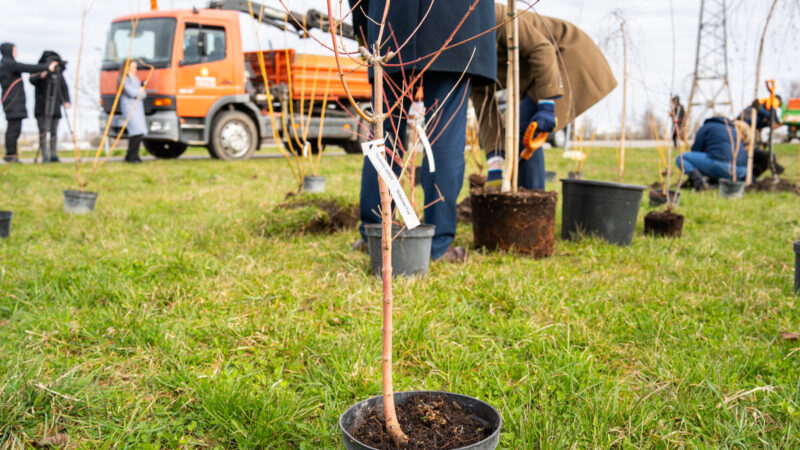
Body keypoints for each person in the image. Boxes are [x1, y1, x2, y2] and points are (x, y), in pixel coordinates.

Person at [350, 0, 497, 263]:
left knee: (384, 132)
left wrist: (364, 27)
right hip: (456, 24)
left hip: (391, 22)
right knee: (445, 134)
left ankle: (374, 233)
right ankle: (439, 245)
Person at [471, 4, 617, 190]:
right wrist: (495, 167)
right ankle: (525, 196)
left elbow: (542, 49)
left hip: (565, 54)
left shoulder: (492, 14)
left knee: (524, 128)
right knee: (518, 132)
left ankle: (533, 198)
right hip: (536, 75)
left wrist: (546, 104)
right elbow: (486, 112)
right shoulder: (465, 64)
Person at [0, 42, 58, 163]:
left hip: (14, 102)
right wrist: (46, 67)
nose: (16, 53)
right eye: (14, 50)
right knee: (13, 129)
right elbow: (27, 67)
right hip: (13, 101)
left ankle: (12, 154)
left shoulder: (6, 64)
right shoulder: (8, 64)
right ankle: (10, 155)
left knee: (15, 129)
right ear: (8, 51)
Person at [675, 117, 751, 190]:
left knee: (681, 158)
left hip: (720, 166)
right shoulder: (734, 131)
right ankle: (716, 182)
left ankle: (700, 182)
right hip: (741, 171)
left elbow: (696, 149)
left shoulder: (706, 127)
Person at [30, 51, 70, 163]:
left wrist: (67, 100)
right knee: (43, 131)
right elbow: (31, 80)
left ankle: (53, 154)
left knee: (54, 132)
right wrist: (41, 75)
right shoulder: (39, 71)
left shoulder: (58, 74)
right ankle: (44, 155)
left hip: (55, 107)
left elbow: (64, 87)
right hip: (42, 108)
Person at [118, 60, 147, 163]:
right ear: (127, 67)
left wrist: (140, 91)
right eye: (133, 67)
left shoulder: (135, 78)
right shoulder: (124, 79)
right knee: (135, 131)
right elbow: (131, 92)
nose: (135, 69)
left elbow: (143, 94)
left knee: (139, 132)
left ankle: (132, 156)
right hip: (129, 108)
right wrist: (140, 91)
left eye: (136, 67)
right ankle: (132, 157)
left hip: (137, 108)